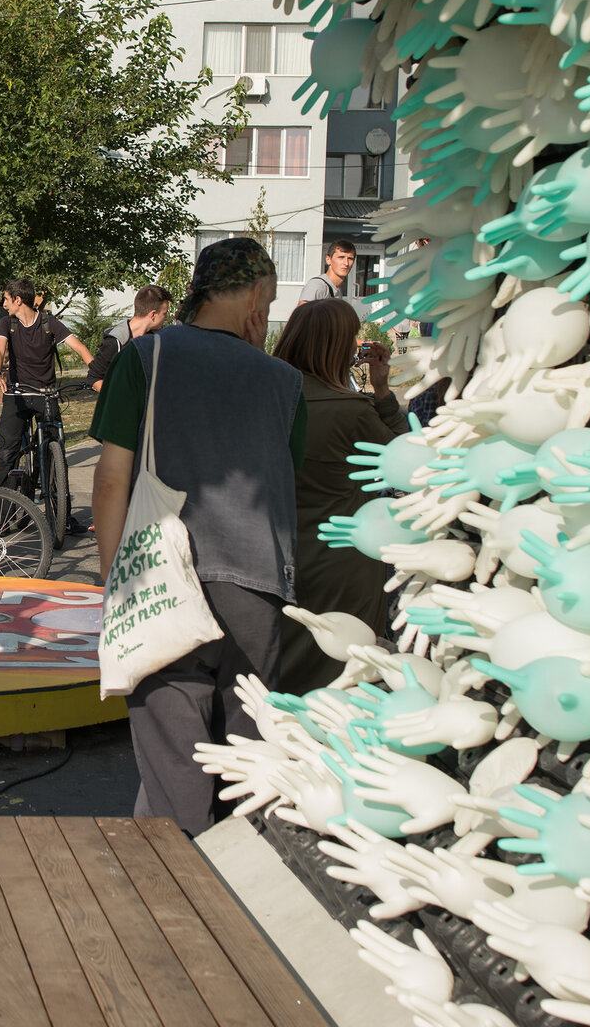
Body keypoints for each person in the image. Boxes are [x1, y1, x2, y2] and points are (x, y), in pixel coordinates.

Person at [89, 237, 308, 836]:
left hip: (161, 577)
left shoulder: (147, 357)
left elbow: (110, 479)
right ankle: (250, 863)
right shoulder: (285, 382)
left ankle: (179, 868)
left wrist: (113, 578)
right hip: (257, 583)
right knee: (248, 754)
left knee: (172, 754)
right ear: (256, 296)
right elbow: (287, 482)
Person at [272, 299, 401, 692]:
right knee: (341, 668)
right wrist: (383, 391)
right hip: (342, 555)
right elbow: (405, 461)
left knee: (286, 658)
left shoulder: (267, 396)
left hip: (277, 548)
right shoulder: (350, 409)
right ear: (336, 346)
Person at [0, 276, 93, 489]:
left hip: (45, 394)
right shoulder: (7, 323)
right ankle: (4, 507)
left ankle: (58, 503)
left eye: (6, 299)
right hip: (17, 394)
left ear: (18, 300)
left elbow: (80, 348)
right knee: (8, 451)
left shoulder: (48, 322)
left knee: (54, 451)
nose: (4, 304)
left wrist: (96, 373)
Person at [89, 284, 173, 392]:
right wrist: (120, 396)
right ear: (153, 314)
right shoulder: (115, 341)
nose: (166, 318)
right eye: (164, 314)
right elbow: (94, 378)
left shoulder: (158, 338)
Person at [298, 238, 357, 305]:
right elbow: (302, 310)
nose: (346, 263)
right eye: (341, 257)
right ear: (328, 259)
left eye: (350, 259)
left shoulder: (337, 290)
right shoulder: (318, 285)